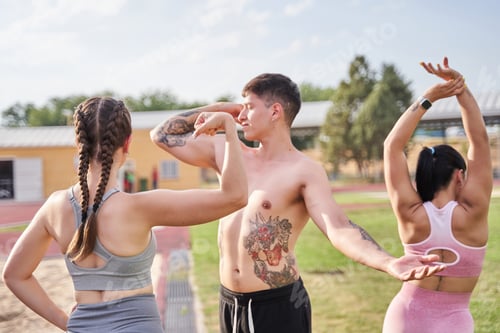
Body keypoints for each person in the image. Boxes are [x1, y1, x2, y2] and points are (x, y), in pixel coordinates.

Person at [150, 73, 445, 333]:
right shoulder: (228, 152)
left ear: (275, 111)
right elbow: (161, 135)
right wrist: (227, 110)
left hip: (276, 306)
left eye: (249, 108)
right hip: (229, 301)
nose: (241, 116)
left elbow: (339, 227)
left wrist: (388, 262)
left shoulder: (304, 170)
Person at [2, 96, 248, 332]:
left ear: (78, 144)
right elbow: (235, 196)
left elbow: (15, 275)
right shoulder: (141, 207)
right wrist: (227, 125)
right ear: (127, 143)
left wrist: (68, 323)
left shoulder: (54, 207)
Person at [382, 57, 492, 333]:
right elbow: (479, 140)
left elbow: (392, 147)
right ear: (459, 176)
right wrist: (460, 89)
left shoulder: (410, 213)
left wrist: (428, 98)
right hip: (454, 320)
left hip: (405, 314)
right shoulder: (474, 212)